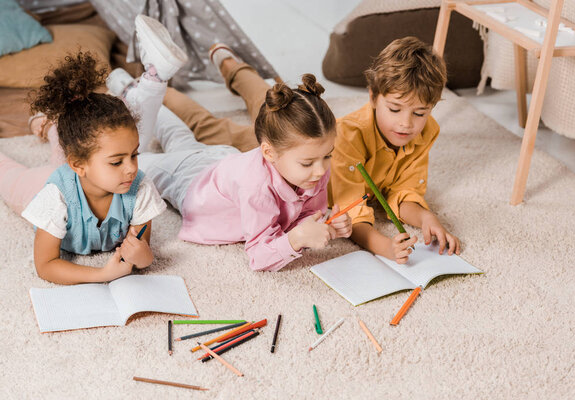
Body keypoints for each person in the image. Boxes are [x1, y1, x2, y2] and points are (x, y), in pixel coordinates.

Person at [108, 60, 352, 271]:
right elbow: (258, 256)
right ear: (269, 152)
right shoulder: (257, 187)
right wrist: (296, 239)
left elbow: (308, 214)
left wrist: (326, 225)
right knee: (134, 163)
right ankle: (138, 90)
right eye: (308, 162)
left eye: (327, 156)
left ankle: (130, 88)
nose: (321, 171)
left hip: (221, 161)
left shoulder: (314, 167)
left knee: (179, 138)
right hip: (189, 180)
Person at [0, 14, 189, 284]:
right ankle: (49, 122)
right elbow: (46, 265)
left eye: (134, 154)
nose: (132, 168)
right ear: (77, 165)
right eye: (117, 162)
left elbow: (143, 253)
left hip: (83, 159)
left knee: (74, 144)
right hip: (38, 185)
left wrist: (144, 256)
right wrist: (102, 274)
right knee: (5, 174)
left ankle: (50, 122)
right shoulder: (54, 197)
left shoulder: (138, 187)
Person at [329, 37, 461, 265]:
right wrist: (384, 247)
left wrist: (426, 217)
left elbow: (402, 191)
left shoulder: (427, 131)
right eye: (394, 109)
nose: (406, 124)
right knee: (259, 130)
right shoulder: (347, 135)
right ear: (373, 97)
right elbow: (351, 211)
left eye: (419, 113)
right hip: (293, 149)